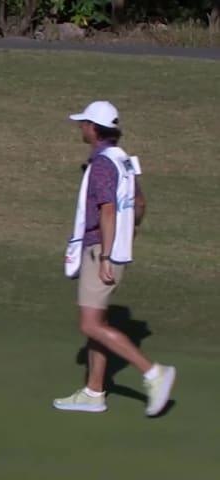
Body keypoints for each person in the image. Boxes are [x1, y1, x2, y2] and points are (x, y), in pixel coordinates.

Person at [54, 100, 175, 417]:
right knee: (98, 324)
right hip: (111, 251)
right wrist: (127, 236)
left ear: (94, 129)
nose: (80, 127)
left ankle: (153, 373)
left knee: (90, 324)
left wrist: (107, 254)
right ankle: (94, 392)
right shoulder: (122, 160)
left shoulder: (103, 165)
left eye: (83, 123)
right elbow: (140, 204)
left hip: (100, 252)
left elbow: (108, 209)